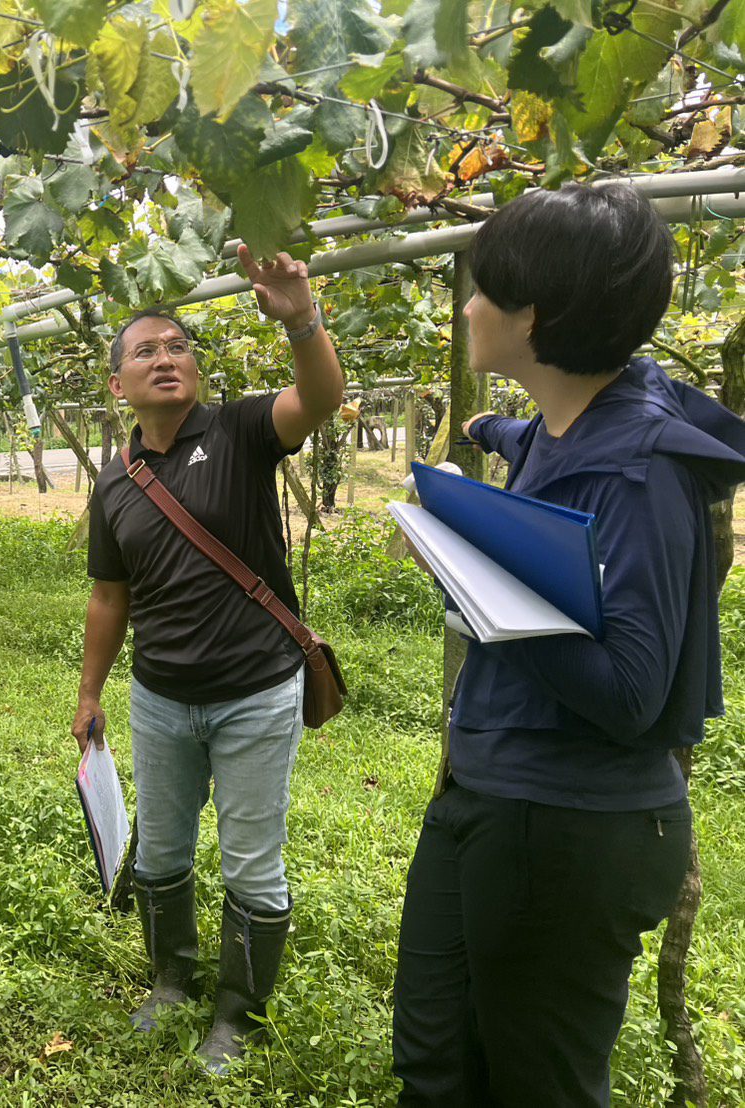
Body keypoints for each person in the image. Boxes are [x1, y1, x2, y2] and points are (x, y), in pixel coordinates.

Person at [392, 183, 745, 1106]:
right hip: (485, 798)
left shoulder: (636, 475)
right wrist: (484, 428)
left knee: (536, 1086)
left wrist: (471, 577)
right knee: (434, 1065)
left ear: (533, 317)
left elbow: (632, 692)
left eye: (483, 287)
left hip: (568, 831)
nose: (466, 303)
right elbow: (538, 440)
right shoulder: (566, 421)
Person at [73, 249, 345, 1072]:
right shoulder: (113, 484)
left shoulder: (238, 429)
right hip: (160, 698)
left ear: (195, 369)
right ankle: (170, 983)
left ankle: (236, 1015)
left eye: (178, 346)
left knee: (251, 857)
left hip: (256, 691)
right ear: (115, 385)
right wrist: (89, 693)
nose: (165, 357)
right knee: (157, 851)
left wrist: (300, 318)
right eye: (144, 351)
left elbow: (322, 401)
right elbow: (107, 598)